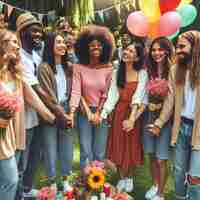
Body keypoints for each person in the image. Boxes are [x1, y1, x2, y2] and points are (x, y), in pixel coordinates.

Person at [0, 29, 55, 200]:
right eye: (14, 42)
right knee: (10, 179)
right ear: (2, 44)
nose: (18, 46)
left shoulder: (16, 72)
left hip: (15, 131)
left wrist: (54, 118)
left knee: (12, 177)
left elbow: (34, 99)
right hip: (3, 134)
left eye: (18, 42)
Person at [150, 31, 200, 200]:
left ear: (195, 47)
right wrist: (159, 123)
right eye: (177, 46)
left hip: (198, 130)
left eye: (182, 46)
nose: (178, 50)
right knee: (178, 172)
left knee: (195, 175)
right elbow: (170, 101)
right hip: (180, 127)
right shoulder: (175, 70)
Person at [100, 42, 148, 193]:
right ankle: (121, 177)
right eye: (126, 49)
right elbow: (113, 95)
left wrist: (132, 119)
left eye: (131, 51)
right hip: (119, 113)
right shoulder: (117, 72)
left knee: (132, 146)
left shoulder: (142, 73)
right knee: (118, 145)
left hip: (133, 114)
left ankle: (130, 177)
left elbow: (139, 96)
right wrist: (104, 113)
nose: (126, 52)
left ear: (137, 57)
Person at [16, 13, 53, 198]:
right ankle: (18, 194)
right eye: (34, 31)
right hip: (24, 119)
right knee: (21, 161)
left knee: (34, 157)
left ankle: (27, 189)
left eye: (40, 31)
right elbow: (37, 90)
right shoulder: (19, 58)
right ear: (22, 33)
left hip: (38, 118)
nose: (39, 35)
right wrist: (57, 114)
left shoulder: (36, 57)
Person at [69, 25, 115, 169]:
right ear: (85, 48)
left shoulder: (109, 69)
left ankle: (99, 187)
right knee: (85, 150)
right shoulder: (78, 68)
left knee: (99, 151)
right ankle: (86, 185)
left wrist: (98, 113)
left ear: (105, 47)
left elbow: (106, 94)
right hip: (84, 113)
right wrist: (86, 112)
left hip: (101, 113)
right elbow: (77, 91)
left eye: (99, 45)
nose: (96, 48)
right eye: (92, 45)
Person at [37, 32, 73, 186]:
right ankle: (52, 182)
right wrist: (61, 114)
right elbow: (47, 95)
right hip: (50, 111)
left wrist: (70, 112)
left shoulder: (69, 67)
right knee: (50, 149)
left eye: (64, 42)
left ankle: (66, 180)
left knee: (67, 147)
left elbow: (73, 91)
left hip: (66, 107)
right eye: (58, 42)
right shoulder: (44, 68)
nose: (62, 45)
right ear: (50, 44)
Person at [144, 37, 174, 200]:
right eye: (154, 50)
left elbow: (175, 99)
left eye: (160, 49)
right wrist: (149, 104)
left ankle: (161, 194)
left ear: (167, 50)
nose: (156, 53)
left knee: (161, 157)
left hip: (166, 120)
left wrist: (160, 107)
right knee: (151, 154)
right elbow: (144, 92)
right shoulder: (149, 70)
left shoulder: (174, 70)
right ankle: (155, 184)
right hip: (149, 116)